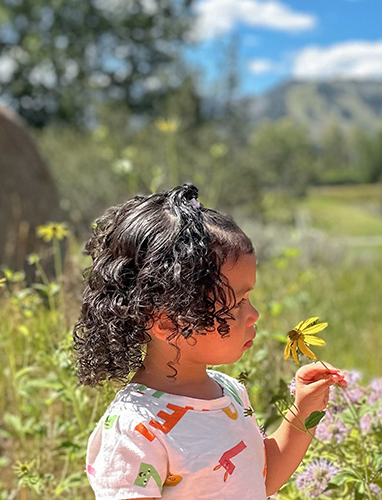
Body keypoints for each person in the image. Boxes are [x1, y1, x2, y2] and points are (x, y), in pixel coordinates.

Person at [73, 183, 347, 499]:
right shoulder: (135, 428)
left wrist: (303, 411)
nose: (254, 315)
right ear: (167, 321)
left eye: (249, 298)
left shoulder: (230, 392)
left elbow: (260, 478)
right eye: (236, 303)